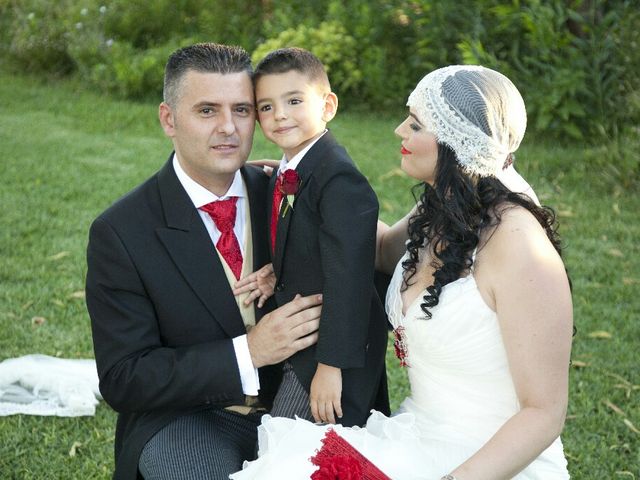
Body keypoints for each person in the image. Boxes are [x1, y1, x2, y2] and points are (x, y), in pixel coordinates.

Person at [231, 65, 573, 479]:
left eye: (415, 124)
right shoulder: (440, 212)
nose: (398, 130)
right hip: (419, 437)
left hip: (490, 463)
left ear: (456, 140)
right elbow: (370, 248)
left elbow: (544, 413)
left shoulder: (520, 247)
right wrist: (303, 183)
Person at [85, 43, 324, 480]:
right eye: (207, 111)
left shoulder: (284, 194)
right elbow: (124, 376)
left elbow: (359, 248)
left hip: (297, 402)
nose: (229, 128)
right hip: (188, 416)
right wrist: (249, 352)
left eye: (243, 110)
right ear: (168, 119)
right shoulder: (121, 232)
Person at [235, 47, 389, 428]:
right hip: (301, 345)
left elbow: (349, 278)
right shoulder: (294, 170)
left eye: (294, 100)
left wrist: (330, 367)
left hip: (331, 355)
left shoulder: (339, 180)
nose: (280, 115)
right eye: (266, 107)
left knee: (290, 446)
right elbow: (310, 240)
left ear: (328, 105)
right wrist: (276, 268)